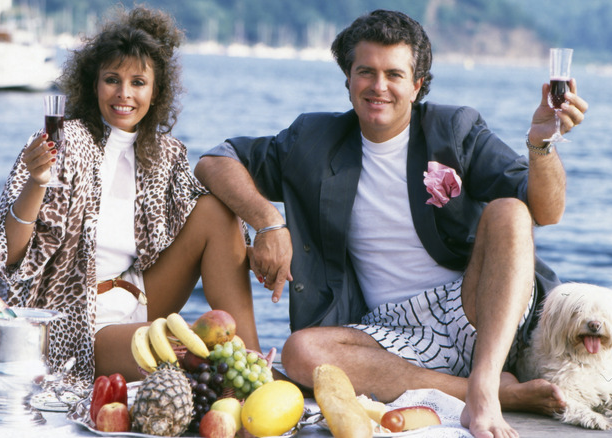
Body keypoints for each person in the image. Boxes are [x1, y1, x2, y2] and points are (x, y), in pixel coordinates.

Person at [195, 9, 588, 438]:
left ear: (417, 85)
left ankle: (486, 381)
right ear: (348, 80)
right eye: (366, 72)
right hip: (389, 331)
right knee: (301, 351)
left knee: (510, 210)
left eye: (394, 74)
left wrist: (541, 142)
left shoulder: (454, 130)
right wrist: (269, 223)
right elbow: (216, 160)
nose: (379, 86)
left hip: (478, 306)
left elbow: (546, 211)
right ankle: (490, 391)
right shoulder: (313, 141)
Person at [0, 5, 260, 387]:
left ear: (156, 91)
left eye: (138, 82)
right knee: (193, 355)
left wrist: (265, 240)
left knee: (217, 212)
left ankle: (255, 363)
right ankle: (242, 376)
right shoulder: (61, 143)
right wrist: (37, 181)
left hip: (138, 299)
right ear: (94, 84)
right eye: (113, 79)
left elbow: (216, 230)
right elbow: (9, 255)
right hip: (72, 320)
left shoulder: (165, 154)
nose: (124, 94)